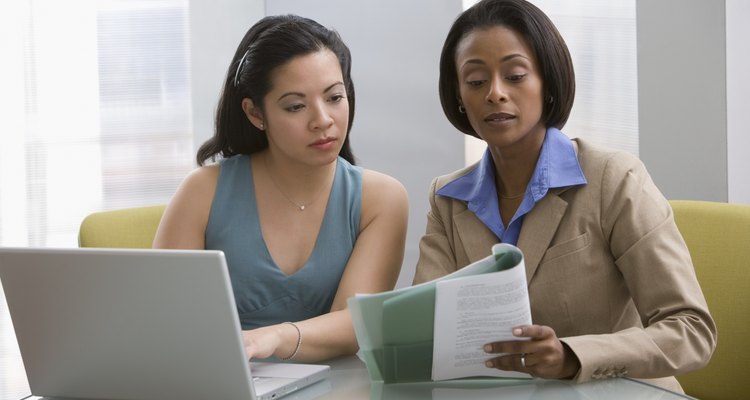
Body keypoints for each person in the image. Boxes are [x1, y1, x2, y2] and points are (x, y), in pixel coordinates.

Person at [413, 0, 715, 392]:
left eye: (516, 75)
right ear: (458, 96)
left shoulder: (612, 179)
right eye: (475, 82)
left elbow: (691, 330)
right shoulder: (447, 198)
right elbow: (426, 331)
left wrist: (573, 355)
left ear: (548, 84)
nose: (495, 94)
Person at [153, 14, 408, 363]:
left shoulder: (381, 199)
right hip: (220, 381)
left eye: (334, 97)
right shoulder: (201, 192)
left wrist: (274, 338)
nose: (323, 119)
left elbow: (354, 327)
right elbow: (165, 319)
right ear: (256, 113)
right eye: (296, 106)